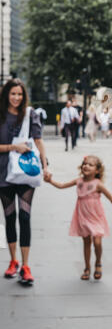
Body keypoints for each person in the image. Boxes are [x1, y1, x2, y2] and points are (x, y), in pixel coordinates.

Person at [44, 155, 112, 280]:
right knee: (86, 242)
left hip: (95, 216)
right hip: (82, 215)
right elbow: (61, 185)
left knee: (97, 242)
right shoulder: (79, 181)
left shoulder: (98, 184)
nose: (86, 166)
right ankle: (87, 267)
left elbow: (111, 198)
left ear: (97, 170)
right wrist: (50, 181)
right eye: (85, 163)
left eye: (90, 164)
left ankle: (98, 262)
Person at [0, 78, 50, 285]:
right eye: (13, 94)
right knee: (9, 218)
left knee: (25, 218)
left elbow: (39, 141)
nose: (16, 98)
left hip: (27, 172)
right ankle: (13, 262)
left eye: (20, 94)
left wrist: (45, 166)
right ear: (6, 95)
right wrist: (14, 147)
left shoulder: (31, 114)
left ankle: (26, 265)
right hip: (3, 173)